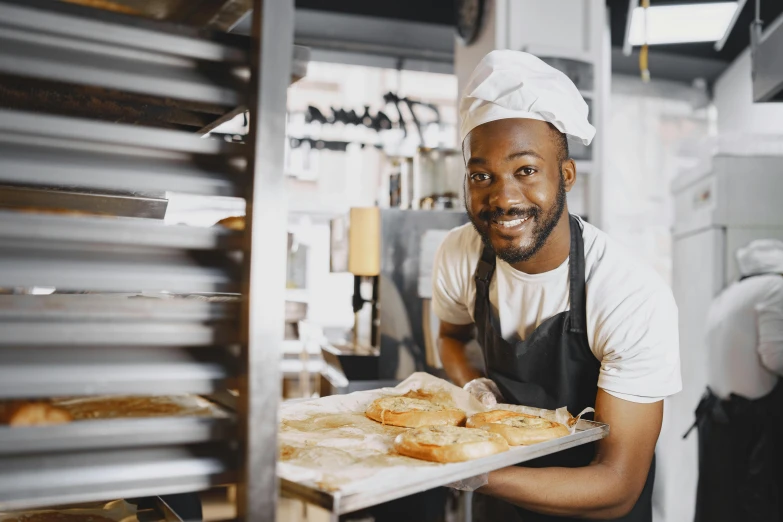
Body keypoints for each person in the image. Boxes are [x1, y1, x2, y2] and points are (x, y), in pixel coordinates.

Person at [432, 50, 681, 521]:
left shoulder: (629, 294)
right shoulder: (460, 254)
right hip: (500, 508)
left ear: (565, 175)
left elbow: (617, 485)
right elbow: (450, 337)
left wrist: (471, 470)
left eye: (526, 169)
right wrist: (473, 392)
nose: (503, 197)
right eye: (480, 175)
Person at [689, 239, 783, 522]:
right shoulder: (775, 289)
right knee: (754, 507)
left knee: (720, 505)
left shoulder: (729, 293)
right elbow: (776, 358)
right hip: (752, 424)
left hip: (718, 419)